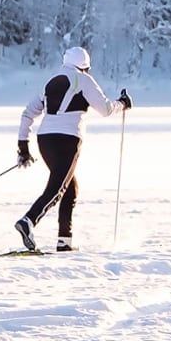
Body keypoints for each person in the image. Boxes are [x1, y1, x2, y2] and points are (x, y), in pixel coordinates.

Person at [14, 46, 130, 252]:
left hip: (45, 141)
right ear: (85, 66)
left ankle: (64, 241)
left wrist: (23, 147)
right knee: (58, 188)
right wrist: (122, 103)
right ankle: (28, 221)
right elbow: (105, 109)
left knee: (69, 187)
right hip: (68, 140)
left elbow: (28, 114)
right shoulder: (83, 80)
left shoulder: (50, 82)